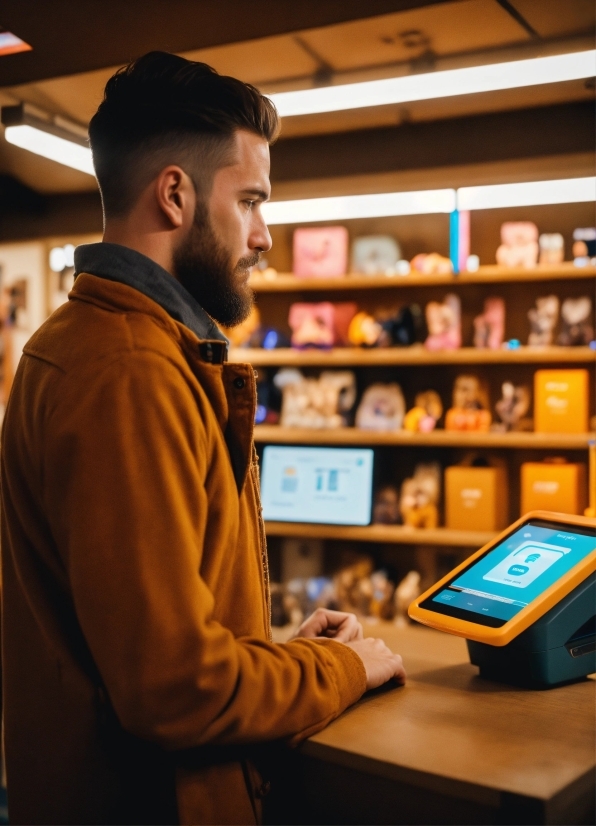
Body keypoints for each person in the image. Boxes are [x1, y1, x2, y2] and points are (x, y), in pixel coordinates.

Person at [0, 52, 405, 826]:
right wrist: (336, 668)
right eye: (251, 200)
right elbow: (174, 690)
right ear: (176, 194)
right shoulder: (128, 371)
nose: (264, 235)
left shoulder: (95, 343)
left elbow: (139, 637)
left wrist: (279, 652)